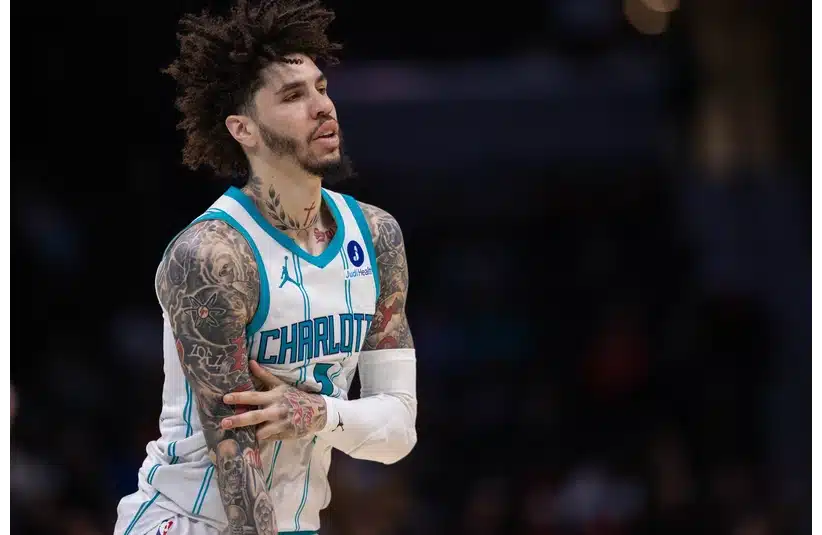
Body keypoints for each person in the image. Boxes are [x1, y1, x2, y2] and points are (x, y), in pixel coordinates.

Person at [113, 1, 418, 533]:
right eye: (293, 96)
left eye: (321, 88)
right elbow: (237, 465)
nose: (322, 107)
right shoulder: (212, 256)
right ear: (244, 129)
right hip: (192, 521)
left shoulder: (376, 236)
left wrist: (319, 413)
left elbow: (398, 431)